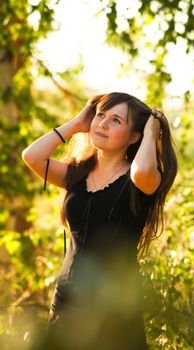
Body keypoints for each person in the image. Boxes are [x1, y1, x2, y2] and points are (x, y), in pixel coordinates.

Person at [22, 92, 178, 350]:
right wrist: (76, 124)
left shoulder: (143, 180)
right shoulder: (76, 173)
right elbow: (32, 156)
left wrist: (152, 132)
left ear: (134, 137)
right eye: (101, 115)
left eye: (116, 120)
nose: (103, 123)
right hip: (65, 303)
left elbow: (141, 171)